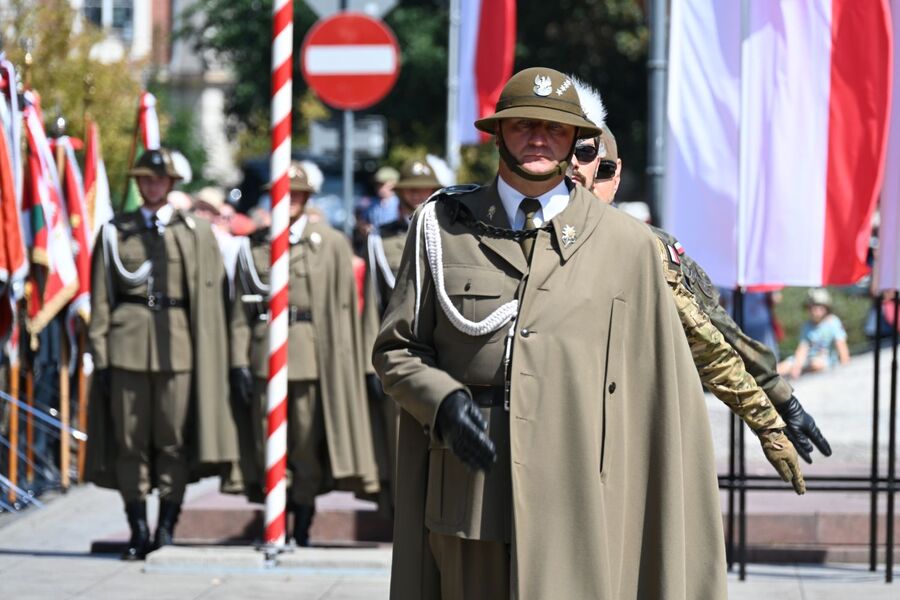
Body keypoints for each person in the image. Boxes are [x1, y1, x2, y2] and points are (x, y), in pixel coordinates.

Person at [373, 67, 727, 599]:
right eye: (522, 126)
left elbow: (659, 389)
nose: (538, 138)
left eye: (555, 128)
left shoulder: (625, 245)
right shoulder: (444, 227)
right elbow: (397, 350)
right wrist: (442, 401)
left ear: (577, 141)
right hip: (474, 488)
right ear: (497, 134)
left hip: (582, 489)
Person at [569, 78, 831, 467]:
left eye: (604, 169)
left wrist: (778, 398)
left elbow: (714, 333)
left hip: (622, 426)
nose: (591, 181)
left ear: (617, 173)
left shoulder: (647, 246)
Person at [85, 148, 239, 560]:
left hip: (179, 347)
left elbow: (211, 299)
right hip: (127, 346)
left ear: (171, 184)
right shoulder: (115, 232)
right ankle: (137, 527)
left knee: (173, 440)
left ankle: (166, 525)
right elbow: (101, 298)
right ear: (137, 183)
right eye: (145, 179)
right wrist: (100, 355)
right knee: (129, 441)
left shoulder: (193, 232)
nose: (151, 185)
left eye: (158, 179)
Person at [229, 161, 379, 546]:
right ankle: (277, 519)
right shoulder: (255, 244)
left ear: (307, 198)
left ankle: (304, 524)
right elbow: (241, 311)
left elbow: (344, 306)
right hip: (265, 354)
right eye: (284, 193)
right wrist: (238, 360)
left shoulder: (327, 242)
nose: (290, 201)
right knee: (268, 446)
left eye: (297, 195)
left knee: (305, 445)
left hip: (310, 356)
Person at [361, 157, 443, 514]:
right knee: (399, 440)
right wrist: (370, 360)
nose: (417, 194)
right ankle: (402, 515)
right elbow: (372, 306)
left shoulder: (450, 233)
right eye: (411, 187)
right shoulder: (381, 240)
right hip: (401, 350)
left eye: (424, 188)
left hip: (441, 352)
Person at [778, 288, 851, 378]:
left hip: (825, 360)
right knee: (780, 368)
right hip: (807, 360)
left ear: (826, 308)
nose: (815, 311)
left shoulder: (833, 322)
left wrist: (845, 365)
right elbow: (803, 348)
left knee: (816, 364)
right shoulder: (807, 326)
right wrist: (796, 367)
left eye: (819, 307)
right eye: (812, 307)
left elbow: (841, 345)